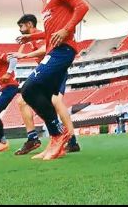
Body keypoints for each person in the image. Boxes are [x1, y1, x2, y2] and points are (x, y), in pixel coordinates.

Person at [17, 0, 89, 161]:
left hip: (62, 50)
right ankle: (57, 139)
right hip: (53, 51)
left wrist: (66, 30)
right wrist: (32, 37)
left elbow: (82, 7)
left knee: (29, 88)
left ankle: (59, 136)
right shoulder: (46, 2)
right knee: (45, 97)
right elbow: (50, 33)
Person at [12, 14, 80, 156]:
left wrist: (25, 56)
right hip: (49, 73)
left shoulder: (39, 35)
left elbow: (48, 47)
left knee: (55, 101)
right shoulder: (32, 39)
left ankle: (69, 139)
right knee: (24, 101)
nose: (20, 29)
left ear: (29, 24)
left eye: (21, 26)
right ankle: (37, 138)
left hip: (55, 71)